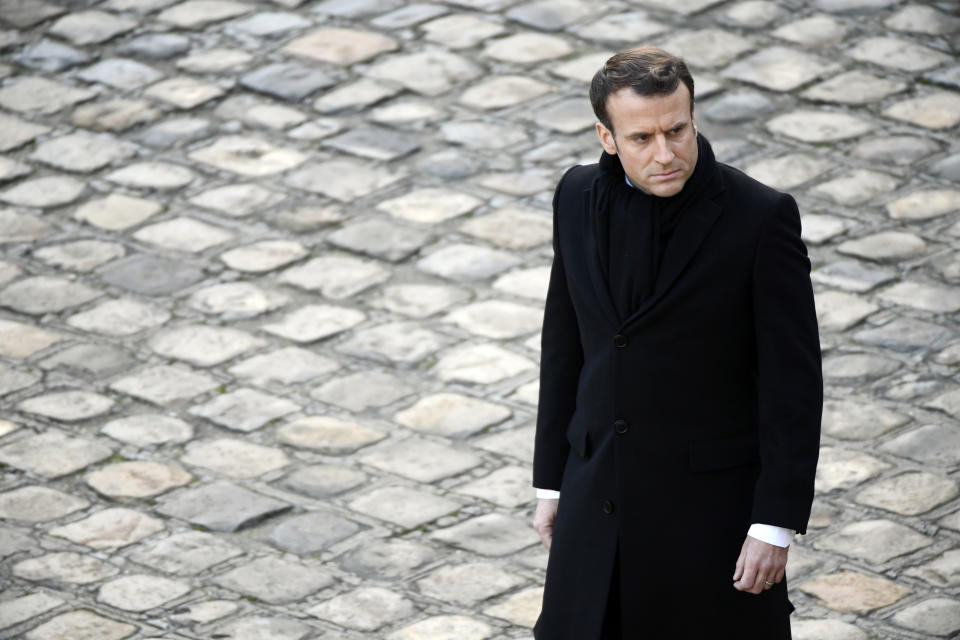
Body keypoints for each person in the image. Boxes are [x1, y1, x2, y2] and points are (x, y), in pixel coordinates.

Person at [531, 47, 822, 639]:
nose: (665, 154)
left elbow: (793, 384)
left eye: (677, 130)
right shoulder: (574, 196)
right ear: (606, 137)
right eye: (642, 138)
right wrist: (552, 480)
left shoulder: (760, 218)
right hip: (596, 503)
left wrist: (774, 525)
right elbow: (565, 342)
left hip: (708, 520)